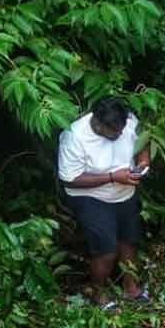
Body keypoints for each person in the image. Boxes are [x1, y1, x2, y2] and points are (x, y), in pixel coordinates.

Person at [57, 97, 151, 309]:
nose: (120, 135)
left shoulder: (127, 120)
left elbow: (144, 140)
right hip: (91, 196)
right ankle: (98, 292)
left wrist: (144, 162)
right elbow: (69, 178)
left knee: (129, 242)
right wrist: (111, 177)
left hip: (125, 192)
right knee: (106, 250)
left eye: (122, 129)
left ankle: (131, 288)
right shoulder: (74, 137)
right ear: (98, 124)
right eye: (114, 132)